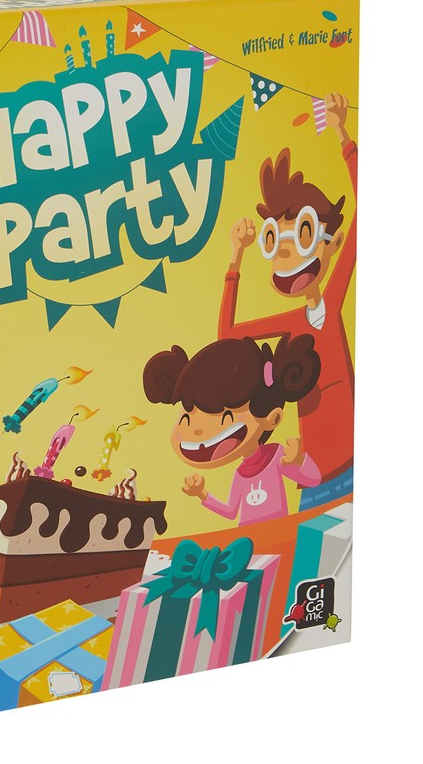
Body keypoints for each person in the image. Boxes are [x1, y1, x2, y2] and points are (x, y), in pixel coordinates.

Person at [219, 93, 356, 510]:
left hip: (355, 464)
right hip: (312, 473)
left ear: (331, 242)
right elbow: (227, 335)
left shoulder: (333, 296)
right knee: (313, 551)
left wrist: (342, 134)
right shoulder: (292, 324)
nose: (285, 252)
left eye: (302, 235)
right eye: (275, 240)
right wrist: (237, 256)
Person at [143, 335, 321, 526]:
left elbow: (313, 480)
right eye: (187, 418)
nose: (198, 431)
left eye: (226, 417)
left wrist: (299, 461)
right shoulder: (240, 472)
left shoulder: (277, 456)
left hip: (278, 531)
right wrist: (202, 494)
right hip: (246, 536)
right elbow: (231, 512)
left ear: (273, 418)